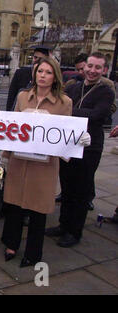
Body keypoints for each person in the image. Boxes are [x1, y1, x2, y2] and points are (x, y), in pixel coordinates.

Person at [1, 57, 75, 268]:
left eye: (48, 72)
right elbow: (12, 128)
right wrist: (6, 156)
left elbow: (65, 135)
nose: (43, 75)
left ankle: (33, 252)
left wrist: (76, 141)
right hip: (19, 161)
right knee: (14, 205)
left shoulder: (64, 102)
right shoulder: (23, 97)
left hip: (44, 165)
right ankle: (11, 244)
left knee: (37, 210)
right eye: (40, 71)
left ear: (55, 77)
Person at [46, 52, 115, 248]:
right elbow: (61, 109)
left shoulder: (106, 91)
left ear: (104, 70)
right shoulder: (74, 88)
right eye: (90, 66)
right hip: (68, 145)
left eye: (97, 67)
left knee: (81, 191)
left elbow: (97, 115)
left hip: (89, 147)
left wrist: (69, 112)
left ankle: (74, 231)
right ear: (84, 67)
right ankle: (63, 224)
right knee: (67, 188)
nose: (92, 71)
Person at [6, 45, 51, 111]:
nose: (37, 60)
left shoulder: (49, 75)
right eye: (35, 57)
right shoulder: (21, 73)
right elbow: (11, 95)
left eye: (40, 59)